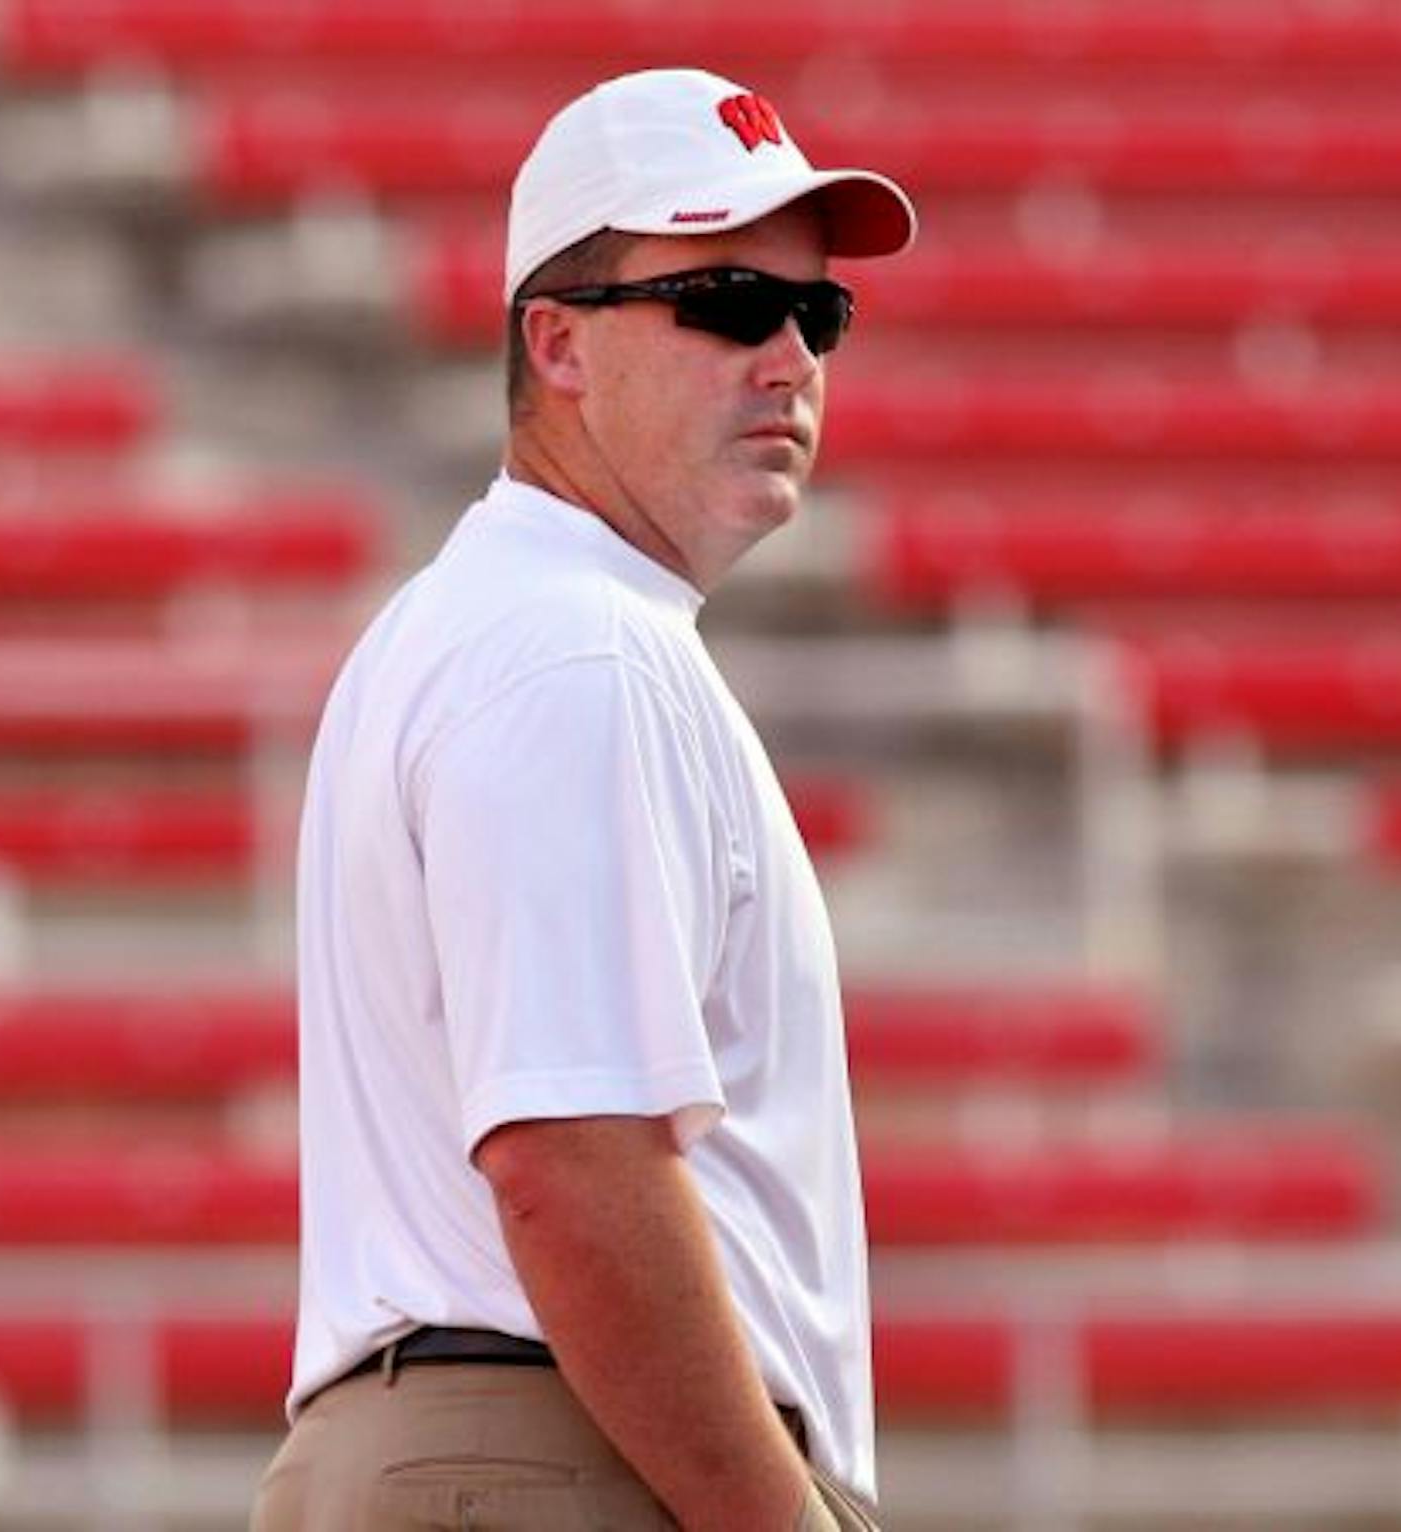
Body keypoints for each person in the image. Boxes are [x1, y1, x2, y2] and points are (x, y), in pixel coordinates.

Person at [251, 66, 916, 1532]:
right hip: (564, 1453)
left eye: (820, 316)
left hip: (490, 1438)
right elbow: (572, 1163)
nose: (790, 357)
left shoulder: (495, 628)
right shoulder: (573, 647)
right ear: (556, 342)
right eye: (731, 301)